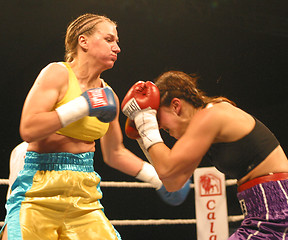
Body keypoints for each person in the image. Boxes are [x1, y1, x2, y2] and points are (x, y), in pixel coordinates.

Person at [1, 14, 191, 240]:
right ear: (84, 42)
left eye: (117, 42)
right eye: (109, 40)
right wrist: (82, 105)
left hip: (84, 194)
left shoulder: (108, 94)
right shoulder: (57, 73)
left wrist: (157, 178)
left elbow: (114, 153)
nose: (117, 48)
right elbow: (29, 129)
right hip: (38, 189)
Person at [121, 70, 288, 239]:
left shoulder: (211, 115)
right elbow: (173, 182)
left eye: (160, 121)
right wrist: (143, 137)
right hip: (265, 214)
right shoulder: (204, 127)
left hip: (277, 214)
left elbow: (167, 169)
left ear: (176, 105)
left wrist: (146, 121)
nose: (162, 129)